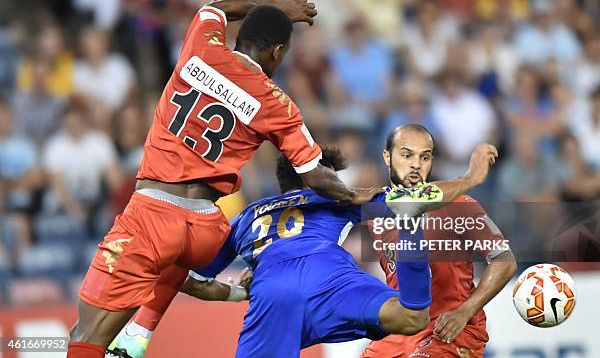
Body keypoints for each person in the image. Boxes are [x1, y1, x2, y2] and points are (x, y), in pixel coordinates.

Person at [67, 0, 383, 358]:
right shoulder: (277, 103)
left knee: (86, 335)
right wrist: (352, 195)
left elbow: (215, 7)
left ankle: (136, 335)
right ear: (277, 52)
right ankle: (140, 331)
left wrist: (277, 5)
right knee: (174, 260)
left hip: (153, 211)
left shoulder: (202, 47)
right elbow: (313, 174)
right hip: (204, 228)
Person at [110, 131, 498, 358]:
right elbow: (411, 197)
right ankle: (413, 234)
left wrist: (236, 293)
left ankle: (137, 332)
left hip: (270, 296)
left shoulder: (247, 215)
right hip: (330, 280)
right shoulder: (337, 198)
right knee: (412, 313)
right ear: (321, 178)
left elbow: (193, 279)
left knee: (177, 254)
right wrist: (470, 177)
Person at [361, 125, 517, 358]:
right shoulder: (376, 212)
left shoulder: (458, 205)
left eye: (424, 157)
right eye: (407, 155)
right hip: (400, 331)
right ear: (387, 156)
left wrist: (464, 312)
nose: (416, 164)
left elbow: (504, 262)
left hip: (452, 330)